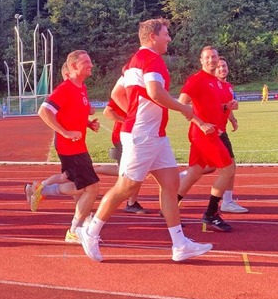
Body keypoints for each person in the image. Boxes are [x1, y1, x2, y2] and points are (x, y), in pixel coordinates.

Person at [75, 18, 212, 263]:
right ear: (152, 37)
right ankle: (90, 231)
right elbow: (155, 92)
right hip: (142, 136)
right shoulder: (152, 60)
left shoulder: (132, 62)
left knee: (170, 185)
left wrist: (134, 113)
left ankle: (179, 244)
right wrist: (184, 109)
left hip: (154, 135)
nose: (169, 38)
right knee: (125, 188)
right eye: (166, 34)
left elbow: (116, 94)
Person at [36, 50, 101, 243]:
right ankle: (74, 230)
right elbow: (44, 111)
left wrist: (88, 123)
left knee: (79, 187)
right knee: (92, 187)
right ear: (73, 66)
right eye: (86, 62)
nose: (91, 65)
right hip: (70, 147)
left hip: (78, 144)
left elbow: (71, 114)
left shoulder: (81, 87)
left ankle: (44, 192)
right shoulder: (65, 88)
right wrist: (65, 132)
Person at [176, 47, 239, 232]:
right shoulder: (197, 80)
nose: (211, 60)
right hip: (203, 133)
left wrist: (228, 106)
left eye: (214, 57)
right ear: (201, 60)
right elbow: (181, 104)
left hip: (213, 132)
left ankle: (168, 207)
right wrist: (201, 123)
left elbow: (214, 106)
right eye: (207, 57)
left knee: (195, 172)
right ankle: (211, 214)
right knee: (228, 170)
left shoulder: (216, 82)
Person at [102, 91, 145, 214]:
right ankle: (131, 203)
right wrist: (125, 121)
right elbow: (107, 111)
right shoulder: (122, 93)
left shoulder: (139, 94)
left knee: (127, 171)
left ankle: (92, 170)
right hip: (123, 137)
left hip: (136, 136)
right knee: (133, 172)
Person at [215, 56, 248, 213]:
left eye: (224, 65)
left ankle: (227, 201)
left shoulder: (228, 86)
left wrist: (233, 119)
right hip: (213, 132)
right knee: (228, 167)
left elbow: (228, 107)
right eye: (219, 66)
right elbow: (207, 108)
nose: (222, 68)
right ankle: (225, 202)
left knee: (204, 168)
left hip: (222, 131)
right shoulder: (212, 86)